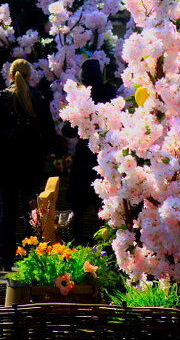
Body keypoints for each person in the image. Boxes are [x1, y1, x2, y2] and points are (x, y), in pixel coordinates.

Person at [0, 59, 58, 271]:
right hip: (31, 163)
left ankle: (6, 259)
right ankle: (29, 257)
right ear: (29, 76)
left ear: (10, 75)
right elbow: (49, 132)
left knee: (7, 210)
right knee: (29, 211)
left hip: (5, 163)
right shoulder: (38, 99)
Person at [65, 58, 115, 244]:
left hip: (84, 154)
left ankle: (78, 245)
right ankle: (106, 248)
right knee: (103, 204)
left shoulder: (82, 96)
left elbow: (67, 130)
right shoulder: (110, 93)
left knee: (78, 205)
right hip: (105, 154)